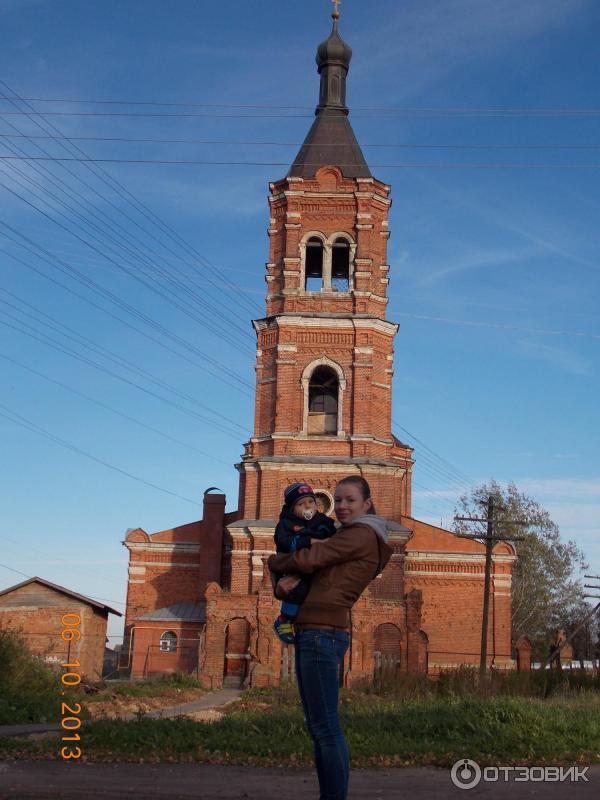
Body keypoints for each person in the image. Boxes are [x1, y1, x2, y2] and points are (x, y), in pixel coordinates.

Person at [268, 476, 393, 800]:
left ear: (367, 504)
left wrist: (274, 562)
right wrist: (281, 583)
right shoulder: (346, 535)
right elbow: (309, 571)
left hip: (323, 633)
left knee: (326, 727)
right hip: (316, 630)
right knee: (318, 726)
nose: (341, 506)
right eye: (337, 500)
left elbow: (310, 560)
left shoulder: (363, 534)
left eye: (350, 500)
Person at [272, 482, 337, 644]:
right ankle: (284, 619)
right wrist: (309, 541)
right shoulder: (286, 523)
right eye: (301, 504)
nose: (307, 506)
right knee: (296, 589)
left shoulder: (323, 521)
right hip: (294, 567)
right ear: (292, 508)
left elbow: (334, 536)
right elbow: (283, 542)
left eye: (311, 502)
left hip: (317, 566)